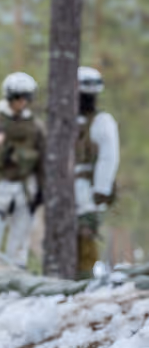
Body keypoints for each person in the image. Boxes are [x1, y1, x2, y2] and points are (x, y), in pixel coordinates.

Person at [0, 72, 45, 268]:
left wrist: (41, 190)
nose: (22, 103)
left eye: (25, 99)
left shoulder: (35, 127)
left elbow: (42, 160)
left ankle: (16, 273)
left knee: (21, 234)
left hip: (25, 186)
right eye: (18, 98)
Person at [75, 67, 119, 279]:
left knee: (86, 237)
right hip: (66, 191)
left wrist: (101, 190)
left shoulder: (102, 121)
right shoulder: (64, 122)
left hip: (88, 192)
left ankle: (84, 281)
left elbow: (109, 157)